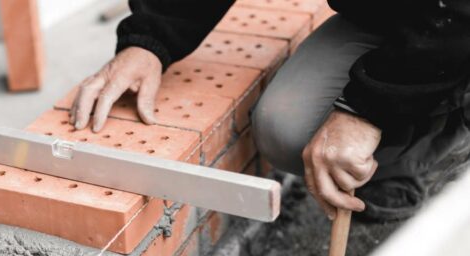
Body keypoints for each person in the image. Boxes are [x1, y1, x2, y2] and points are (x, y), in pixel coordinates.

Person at [71, 0, 470, 222]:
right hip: (406, 15)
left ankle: (448, 119)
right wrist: (149, 40)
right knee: (287, 129)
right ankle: (416, 141)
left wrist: (366, 110)